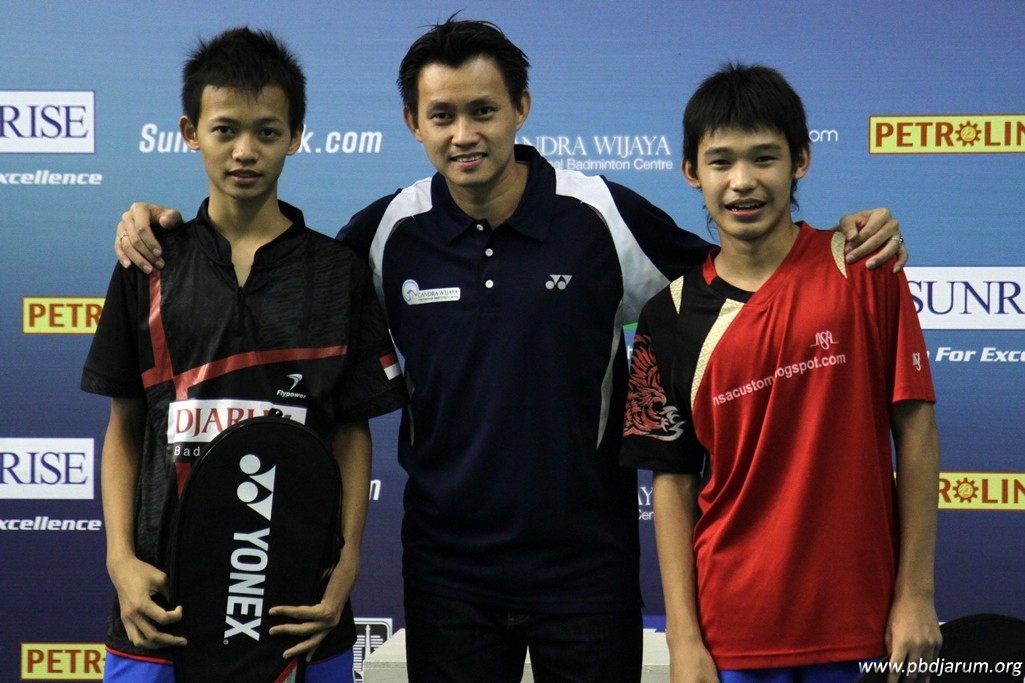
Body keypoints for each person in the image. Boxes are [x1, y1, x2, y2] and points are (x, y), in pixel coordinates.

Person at [112, 18, 908, 683]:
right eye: (442, 115)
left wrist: (839, 238)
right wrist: (165, 229)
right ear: (413, 123)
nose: (464, 134)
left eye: (484, 111)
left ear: (521, 108)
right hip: (447, 571)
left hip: (587, 566)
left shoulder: (598, 214)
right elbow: (278, 278)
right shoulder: (386, 233)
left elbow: (738, 275)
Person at [82, 27, 406, 683]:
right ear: (189, 132)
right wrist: (120, 560)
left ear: (296, 135)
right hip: (160, 605)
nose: (245, 151)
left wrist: (346, 565)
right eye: (225, 129)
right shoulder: (147, 261)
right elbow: (124, 426)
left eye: (267, 131)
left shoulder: (338, 273)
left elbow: (350, 432)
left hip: (298, 605)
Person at [621, 63, 941, 683]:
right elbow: (673, 484)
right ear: (690, 172)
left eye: (764, 158)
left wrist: (916, 594)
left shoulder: (865, 268)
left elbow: (917, 432)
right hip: (732, 630)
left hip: (863, 620)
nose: (743, 181)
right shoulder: (668, 316)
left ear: (801, 160)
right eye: (720, 162)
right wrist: (684, 642)